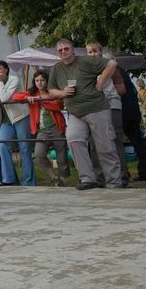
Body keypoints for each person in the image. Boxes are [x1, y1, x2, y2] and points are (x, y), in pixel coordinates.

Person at [47, 39, 124, 190]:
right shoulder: (56, 68)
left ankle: (114, 182)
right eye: (60, 50)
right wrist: (63, 92)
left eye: (66, 48)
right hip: (75, 112)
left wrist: (101, 82)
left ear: (73, 50)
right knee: (73, 139)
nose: (63, 51)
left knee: (105, 146)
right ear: (57, 53)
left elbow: (111, 64)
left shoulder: (86, 61)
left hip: (96, 109)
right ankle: (87, 179)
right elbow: (51, 91)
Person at [0, 60, 34, 186]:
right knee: (2, 145)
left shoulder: (13, 80)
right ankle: (8, 179)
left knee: (24, 148)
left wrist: (0, 82)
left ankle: (28, 182)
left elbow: (5, 98)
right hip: (5, 120)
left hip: (20, 117)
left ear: (6, 69)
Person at [13, 71, 70, 186]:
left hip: (57, 127)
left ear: (47, 81)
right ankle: (54, 177)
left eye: (42, 80)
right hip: (42, 130)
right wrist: (28, 97)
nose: (39, 83)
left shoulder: (52, 92)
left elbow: (58, 105)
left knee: (61, 155)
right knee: (39, 154)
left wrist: (41, 101)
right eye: (37, 80)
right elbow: (15, 97)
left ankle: (63, 180)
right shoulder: (32, 93)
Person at [85, 42, 130, 185]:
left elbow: (122, 88)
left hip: (112, 106)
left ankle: (122, 177)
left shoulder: (110, 65)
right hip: (93, 109)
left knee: (115, 140)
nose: (92, 54)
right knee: (94, 142)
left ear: (100, 52)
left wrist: (108, 94)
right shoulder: (84, 69)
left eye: (95, 51)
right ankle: (100, 178)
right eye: (89, 52)